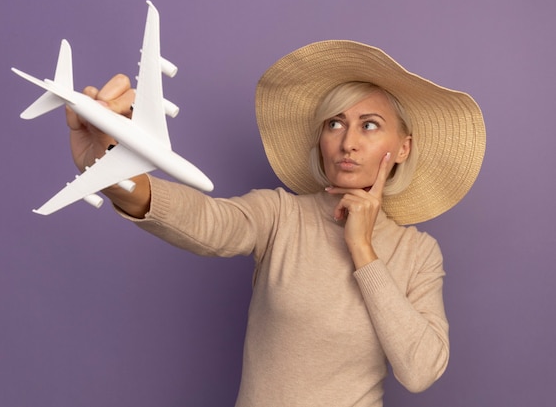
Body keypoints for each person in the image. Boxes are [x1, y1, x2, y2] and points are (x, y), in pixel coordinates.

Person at [65, 40, 486, 406]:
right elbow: (206, 222)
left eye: (369, 126)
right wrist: (111, 165)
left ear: (402, 147)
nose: (348, 142)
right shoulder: (281, 214)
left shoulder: (419, 253)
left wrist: (363, 250)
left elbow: (421, 371)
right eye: (334, 123)